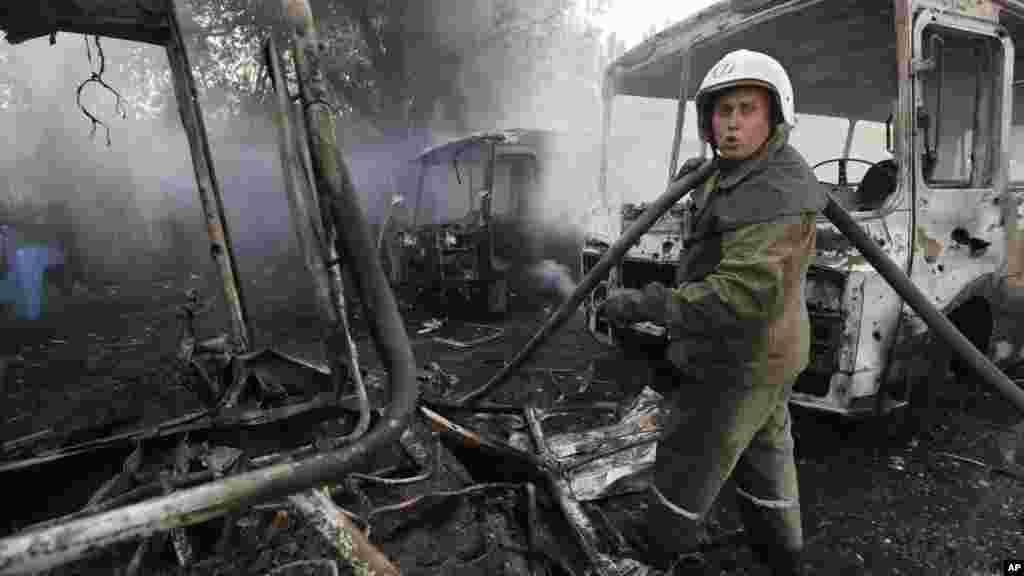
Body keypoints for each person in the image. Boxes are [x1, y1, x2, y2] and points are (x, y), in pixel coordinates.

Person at [599, 49, 827, 575]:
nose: (732, 123)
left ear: (774, 115)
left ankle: (653, 551)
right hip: (766, 357)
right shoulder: (728, 170)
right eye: (723, 111)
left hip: (738, 360)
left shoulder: (778, 190)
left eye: (747, 109)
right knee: (765, 457)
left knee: (690, 453)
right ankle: (782, 557)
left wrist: (646, 304)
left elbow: (743, 296)